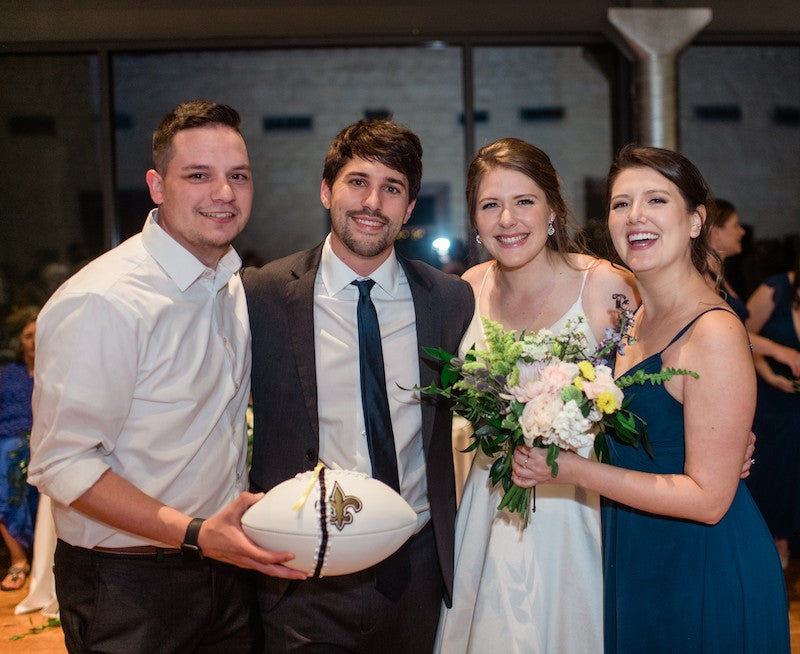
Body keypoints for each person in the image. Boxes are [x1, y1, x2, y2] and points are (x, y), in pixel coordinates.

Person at [28, 100, 305, 654]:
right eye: (198, 175)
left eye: (237, 176)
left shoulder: (229, 284)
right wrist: (195, 534)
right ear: (157, 186)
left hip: (224, 571)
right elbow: (63, 463)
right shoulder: (104, 299)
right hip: (128, 586)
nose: (223, 193)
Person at [513, 144, 790, 652]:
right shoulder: (630, 321)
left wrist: (571, 471)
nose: (635, 216)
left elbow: (709, 501)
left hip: (703, 565)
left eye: (656, 200)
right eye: (621, 204)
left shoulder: (714, 332)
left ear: (694, 221)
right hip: (637, 553)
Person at [242, 118, 475, 653]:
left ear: (409, 207)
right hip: (302, 573)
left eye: (392, 188)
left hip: (417, 572)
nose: (373, 201)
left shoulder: (448, 300)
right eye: (357, 181)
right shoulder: (263, 295)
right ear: (327, 190)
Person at [433, 138, 639, 653]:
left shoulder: (604, 285)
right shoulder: (470, 287)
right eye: (489, 205)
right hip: (485, 505)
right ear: (475, 219)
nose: (507, 219)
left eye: (524, 200)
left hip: (576, 510)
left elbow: (656, 378)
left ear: (552, 206)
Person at [744, 255, 800, 568]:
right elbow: (741, 335)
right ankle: (770, 542)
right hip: (769, 398)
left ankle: (787, 539)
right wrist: (769, 375)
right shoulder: (775, 288)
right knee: (771, 470)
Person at [709, 199, 800, 374]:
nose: (742, 232)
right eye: (736, 226)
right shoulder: (704, 278)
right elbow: (725, 335)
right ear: (715, 232)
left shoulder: (719, 277)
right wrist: (776, 350)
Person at [0, 306, 39, 591]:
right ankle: (18, 559)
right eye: (28, 336)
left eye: (39, 334)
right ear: (20, 341)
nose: (35, 341)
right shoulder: (6, 374)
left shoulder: (61, 370)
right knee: (8, 458)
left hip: (45, 439)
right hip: (8, 439)